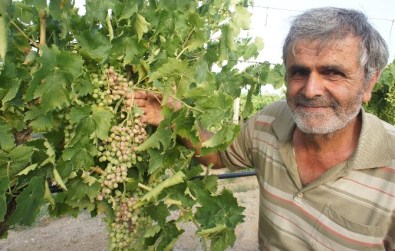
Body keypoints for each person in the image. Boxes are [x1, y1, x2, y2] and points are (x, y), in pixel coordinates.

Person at [135, 7, 395, 250]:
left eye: (332, 73)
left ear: (370, 82)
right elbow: (217, 154)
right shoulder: (268, 122)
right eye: (299, 72)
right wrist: (171, 118)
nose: (311, 89)